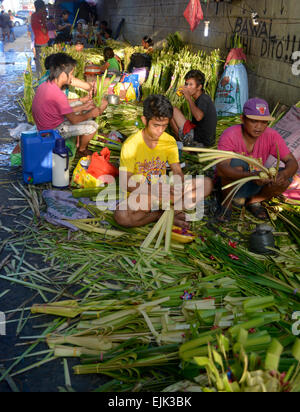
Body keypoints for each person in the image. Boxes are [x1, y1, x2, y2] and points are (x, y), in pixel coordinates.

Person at [114, 94, 213, 229]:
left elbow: (177, 170)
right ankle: (161, 215)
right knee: (122, 216)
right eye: (156, 125)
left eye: (164, 126)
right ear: (144, 120)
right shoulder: (131, 145)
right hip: (144, 195)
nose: (160, 131)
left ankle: (171, 210)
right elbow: (126, 181)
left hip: (165, 192)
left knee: (206, 184)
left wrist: (178, 185)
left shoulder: (169, 141)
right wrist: (154, 190)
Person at [216, 98, 298, 221]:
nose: (259, 127)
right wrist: (252, 175)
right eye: (254, 121)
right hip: (229, 186)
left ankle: (252, 202)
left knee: (286, 179)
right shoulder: (230, 135)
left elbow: (292, 163)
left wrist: (284, 174)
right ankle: (226, 204)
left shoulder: (271, 135)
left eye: (264, 122)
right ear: (243, 119)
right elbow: (222, 169)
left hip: (256, 183)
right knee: (238, 163)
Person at [32, 53, 108, 157]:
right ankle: (81, 149)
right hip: (52, 131)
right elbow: (74, 120)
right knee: (93, 126)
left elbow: (62, 110)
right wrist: (91, 114)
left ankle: (80, 142)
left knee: (82, 108)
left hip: (43, 126)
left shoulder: (46, 85)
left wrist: (83, 106)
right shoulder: (58, 94)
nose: (72, 77)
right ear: (63, 75)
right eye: (71, 74)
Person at [170, 70, 217, 148]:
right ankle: (183, 142)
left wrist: (188, 98)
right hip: (198, 135)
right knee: (171, 110)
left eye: (191, 85)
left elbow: (198, 117)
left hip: (201, 142)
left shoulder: (203, 99)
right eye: (186, 84)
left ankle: (184, 145)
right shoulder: (200, 99)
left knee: (172, 110)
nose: (187, 87)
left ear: (199, 87)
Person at [31, 0, 49, 76]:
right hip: (42, 42)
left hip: (39, 41)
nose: (45, 9)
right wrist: (44, 19)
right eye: (44, 7)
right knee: (42, 62)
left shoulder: (34, 15)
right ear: (41, 8)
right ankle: (41, 79)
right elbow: (44, 31)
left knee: (40, 61)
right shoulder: (38, 16)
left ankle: (41, 78)